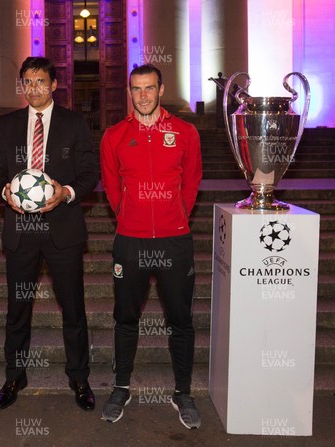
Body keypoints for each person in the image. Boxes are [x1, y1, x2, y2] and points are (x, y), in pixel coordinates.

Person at [0, 56, 100, 411]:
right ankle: (15, 375)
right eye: (27, 82)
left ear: (54, 85)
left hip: (62, 230)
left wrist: (65, 193)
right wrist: (5, 192)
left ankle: (79, 377)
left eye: (40, 81)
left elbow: (89, 171)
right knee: (18, 308)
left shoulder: (75, 122)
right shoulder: (6, 125)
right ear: (21, 86)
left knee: (73, 308)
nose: (33, 88)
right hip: (20, 230)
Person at [100, 64, 203, 428]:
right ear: (130, 92)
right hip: (130, 241)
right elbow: (112, 187)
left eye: (149, 88)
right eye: (136, 89)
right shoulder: (114, 135)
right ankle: (121, 386)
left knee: (180, 321)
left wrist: (177, 215)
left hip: (175, 241)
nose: (143, 95)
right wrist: (128, 215)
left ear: (161, 90)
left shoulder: (185, 132)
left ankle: (183, 392)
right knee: (125, 318)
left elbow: (191, 182)